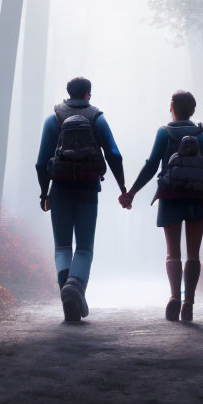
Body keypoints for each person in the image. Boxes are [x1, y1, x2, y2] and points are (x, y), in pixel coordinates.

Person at [118, 90, 203, 322]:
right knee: (193, 254)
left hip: (170, 196)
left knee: (173, 253)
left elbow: (150, 166)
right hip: (199, 198)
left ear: (172, 107)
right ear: (192, 110)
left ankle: (175, 297)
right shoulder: (201, 135)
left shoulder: (164, 133)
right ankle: (189, 303)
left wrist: (132, 192)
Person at [36, 77, 126, 322]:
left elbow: (41, 162)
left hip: (60, 190)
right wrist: (122, 187)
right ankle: (74, 288)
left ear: (69, 94)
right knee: (84, 247)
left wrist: (45, 193)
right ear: (88, 94)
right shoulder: (97, 118)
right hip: (87, 189)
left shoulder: (53, 120)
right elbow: (114, 155)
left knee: (62, 247)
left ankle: (68, 290)